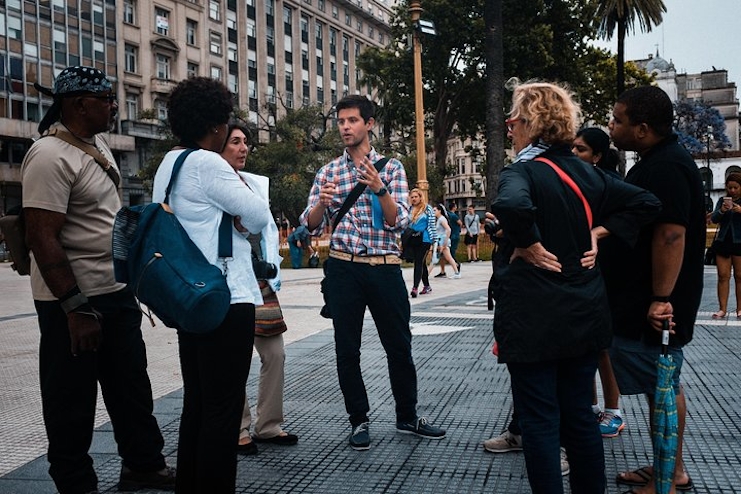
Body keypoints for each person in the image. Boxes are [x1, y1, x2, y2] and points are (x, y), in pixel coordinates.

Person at [490, 80, 661, 494]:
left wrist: (527, 243)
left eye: (513, 120)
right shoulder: (589, 173)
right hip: (584, 313)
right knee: (580, 417)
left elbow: (512, 205)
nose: (509, 128)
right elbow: (647, 203)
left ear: (531, 124)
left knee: (540, 421)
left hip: (534, 319)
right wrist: (598, 232)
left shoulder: (521, 172)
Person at [22, 66, 175, 494]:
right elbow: (41, 236)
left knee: (131, 389)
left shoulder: (98, 143)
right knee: (71, 402)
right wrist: (74, 308)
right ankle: (76, 485)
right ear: (79, 104)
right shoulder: (49, 155)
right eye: (107, 99)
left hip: (115, 291)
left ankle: (143, 465)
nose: (113, 106)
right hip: (74, 302)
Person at [299, 94, 445, 451]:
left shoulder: (392, 168)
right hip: (343, 269)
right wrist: (322, 204)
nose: (346, 127)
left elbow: (398, 221)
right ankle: (358, 419)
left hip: (383, 268)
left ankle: (407, 416)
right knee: (347, 349)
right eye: (341, 121)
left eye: (352, 120)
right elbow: (310, 227)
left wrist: (379, 188)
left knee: (399, 346)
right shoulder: (328, 172)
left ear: (369, 124)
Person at [151, 77, 272, 493]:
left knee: (198, 405)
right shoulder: (208, 162)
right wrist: (240, 217)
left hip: (192, 298)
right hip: (226, 297)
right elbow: (258, 215)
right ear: (216, 126)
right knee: (222, 411)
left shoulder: (171, 162)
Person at [606, 86, 705, 494]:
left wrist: (661, 298)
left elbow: (670, 235)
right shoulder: (656, 161)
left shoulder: (666, 167)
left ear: (642, 129)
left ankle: (671, 472)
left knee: (663, 384)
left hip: (657, 303)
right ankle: (667, 463)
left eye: (617, 120)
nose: (611, 126)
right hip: (644, 299)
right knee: (656, 385)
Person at [220, 122, 298, 455]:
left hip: (260, 282)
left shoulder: (254, 184)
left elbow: (266, 232)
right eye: (235, 142)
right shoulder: (211, 183)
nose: (243, 148)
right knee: (234, 357)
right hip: (226, 283)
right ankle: (238, 428)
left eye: (245, 142)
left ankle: (269, 425)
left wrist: (274, 266)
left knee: (275, 354)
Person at [571, 127, 626, 438]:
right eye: (573, 149)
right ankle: (590, 406)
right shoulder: (580, 182)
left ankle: (614, 410)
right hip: (585, 272)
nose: (575, 154)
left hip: (606, 272)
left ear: (598, 156)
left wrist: (597, 234)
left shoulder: (612, 184)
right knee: (584, 345)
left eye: (581, 150)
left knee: (603, 347)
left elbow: (639, 212)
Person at [709, 172, 741, 319]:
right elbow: (714, 219)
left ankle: (740, 309)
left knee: (740, 277)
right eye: (729, 188)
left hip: (739, 242)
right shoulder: (722, 200)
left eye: (735, 187)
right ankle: (722, 308)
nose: (732, 191)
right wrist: (722, 210)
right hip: (723, 241)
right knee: (723, 276)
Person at [406, 188, 437, 297]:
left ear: (420, 197)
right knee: (421, 263)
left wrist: (434, 242)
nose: (414, 199)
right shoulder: (409, 209)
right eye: (412, 197)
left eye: (416, 196)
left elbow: (432, 225)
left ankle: (415, 287)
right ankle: (427, 285)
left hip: (425, 239)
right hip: (413, 239)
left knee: (418, 261)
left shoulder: (427, 209)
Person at [428, 204, 461, 279]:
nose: (433, 212)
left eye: (435, 210)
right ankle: (455, 271)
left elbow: (448, 229)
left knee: (438, 258)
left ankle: (457, 272)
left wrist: (445, 242)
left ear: (439, 211)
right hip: (440, 240)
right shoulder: (439, 219)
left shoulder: (442, 219)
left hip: (442, 241)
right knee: (444, 257)